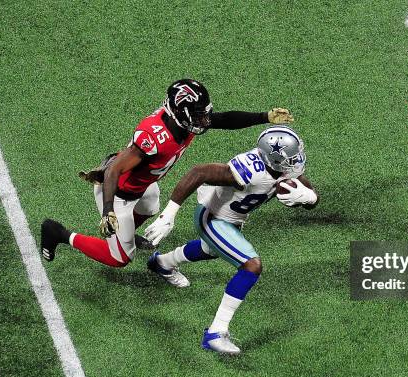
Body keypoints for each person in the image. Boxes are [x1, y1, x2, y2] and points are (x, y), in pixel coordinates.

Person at [41, 79, 294, 273]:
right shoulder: (154, 137)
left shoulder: (184, 122)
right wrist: (108, 210)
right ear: (179, 113)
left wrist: (265, 117)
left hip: (144, 185)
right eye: (197, 115)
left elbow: (224, 120)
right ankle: (59, 233)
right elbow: (114, 170)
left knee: (151, 207)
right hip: (118, 191)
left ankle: (123, 234)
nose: (203, 120)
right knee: (120, 258)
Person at [144, 125, 318, 354]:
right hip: (214, 218)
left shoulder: (285, 168)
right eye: (291, 158)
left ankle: (162, 263)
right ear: (273, 159)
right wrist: (169, 214)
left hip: (233, 220)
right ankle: (216, 333)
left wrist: (308, 197)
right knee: (251, 265)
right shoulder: (250, 170)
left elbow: (311, 196)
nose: (296, 161)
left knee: (210, 250)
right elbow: (199, 172)